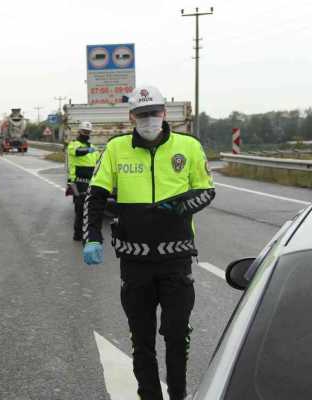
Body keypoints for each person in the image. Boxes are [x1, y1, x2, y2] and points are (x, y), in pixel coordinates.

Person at [82, 85, 215, 400]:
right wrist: (91, 237)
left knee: (177, 334)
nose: (149, 119)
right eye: (142, 114)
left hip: (176, 260)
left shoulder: (189, 147)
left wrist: (178, 206)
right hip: (135, 262)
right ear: (132, 117)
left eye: (154, 112)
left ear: (164, 113)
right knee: (141, 341)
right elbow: (95, 195)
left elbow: (207, 191)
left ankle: (179, 395)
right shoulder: (116, 148)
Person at [66, 121, 99, 241]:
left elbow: (98, 163)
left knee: (91, 210)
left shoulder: (93, 148)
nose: (86, 134)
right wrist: (87, 150)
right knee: (80, 209)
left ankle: (89, 234)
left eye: (88, 132)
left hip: (91, 182)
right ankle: (78, 234)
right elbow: (77, 152)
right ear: (79, 132)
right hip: (77, 182)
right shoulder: (73, 145)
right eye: (84, 132)